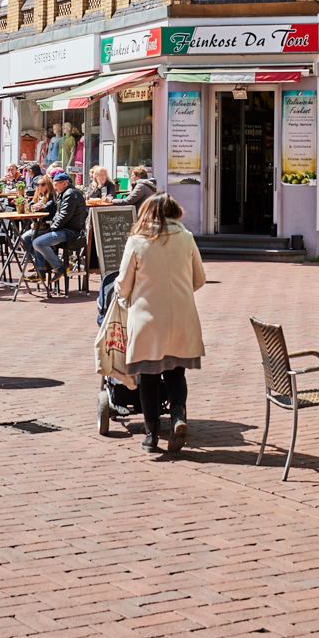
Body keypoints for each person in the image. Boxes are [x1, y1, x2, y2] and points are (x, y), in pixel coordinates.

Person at [116, 194, 207, 454]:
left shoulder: (137, 241)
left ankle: (151, 433)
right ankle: (178, 417)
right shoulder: (187, 238)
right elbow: (199, 279)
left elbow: (123, 285)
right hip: (181, 315)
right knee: (177, 372)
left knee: (149, 376)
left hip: (148, 318)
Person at [30, 171, 88, 283]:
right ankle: (41, 270)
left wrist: (51, 229)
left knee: (38, 242)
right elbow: (59, 215)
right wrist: (51, 227)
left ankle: (60, 266)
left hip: (71, 232)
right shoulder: (65, 193)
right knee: (34, 236)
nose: (54, 187)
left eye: (56, 184)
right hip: (64, 229)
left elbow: (64, 216)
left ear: (64, 184)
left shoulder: (70, 194)